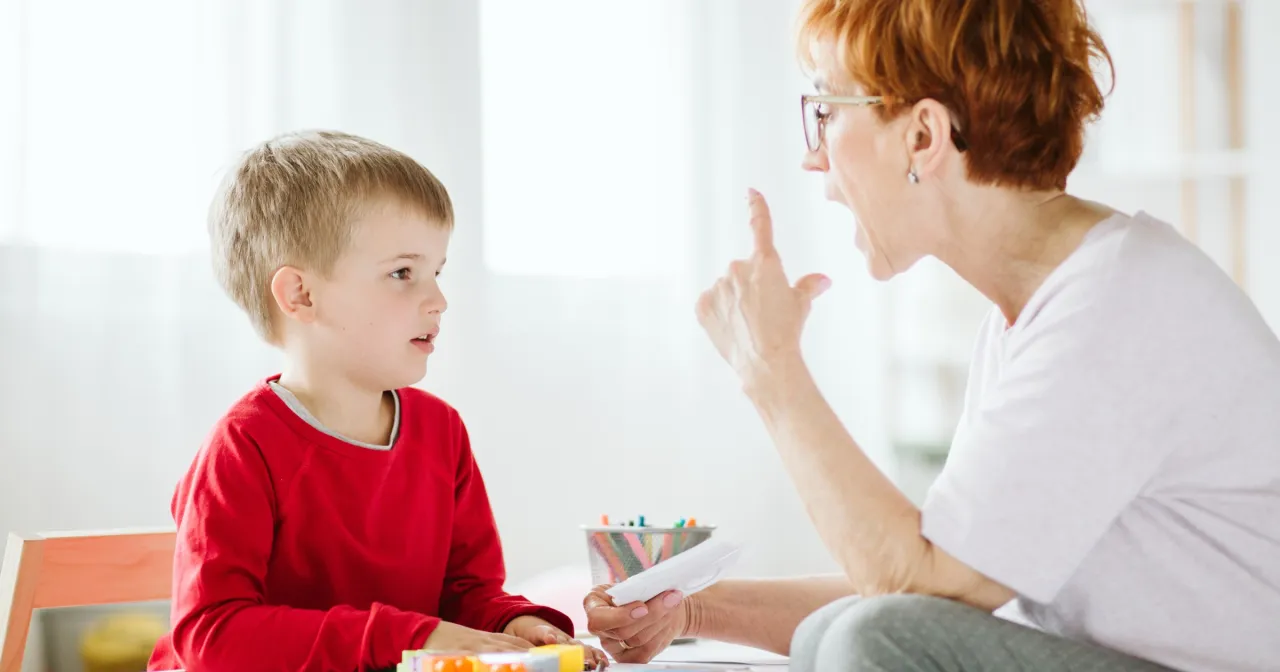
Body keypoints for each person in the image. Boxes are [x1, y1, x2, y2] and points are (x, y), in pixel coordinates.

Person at [585, 0, 1280, 670]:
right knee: (843, 630)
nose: (814, 159)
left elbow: (912, 598)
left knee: (867, 638)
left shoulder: (1115, 309)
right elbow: (936, 590)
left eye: (826, 111)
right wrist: (692, 611)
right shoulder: (1046, 312)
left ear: (923, 136)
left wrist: (770, 368)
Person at [147, 131, 606, 672]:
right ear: (301, 295)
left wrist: (511, 625)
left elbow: (466, 594)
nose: (438, 300)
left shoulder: (442, 432)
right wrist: (411, 635)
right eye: (402, 273)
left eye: (436, 272)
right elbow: (213, 637)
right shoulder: (243, 447)